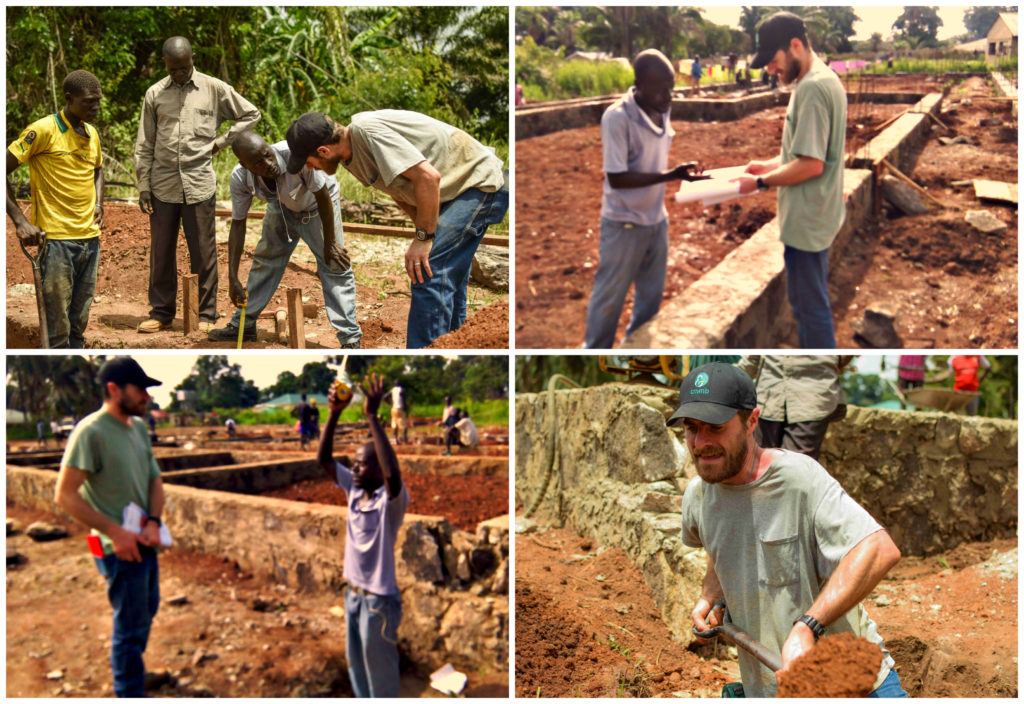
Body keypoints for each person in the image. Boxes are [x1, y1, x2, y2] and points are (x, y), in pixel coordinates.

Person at [668, 362, 905, 698]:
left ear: (751, 421)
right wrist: (711, 596)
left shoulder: (798, 480)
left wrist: (808, 627)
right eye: (691, 428)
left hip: (853, 683)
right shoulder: (699, 495)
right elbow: (718, 547)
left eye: (715, 427)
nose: (700, 442)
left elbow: (879, 549)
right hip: (771, 688)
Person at [284, 109, 508, 348]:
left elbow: (428, 177)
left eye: (308, 162)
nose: (310, 168)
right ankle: (455, 345)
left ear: (323, 151)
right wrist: (423, 228)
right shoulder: (350, 157)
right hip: (453, 191)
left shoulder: (367, 132)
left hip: (477, 183)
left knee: (428, 270)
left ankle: (425, 362)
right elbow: (398, 189)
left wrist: (424, 238)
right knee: (447, 273)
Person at [732, 12, 848, 348]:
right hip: (816, 215)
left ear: (795, 45)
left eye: (773, 60)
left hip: (808, 221)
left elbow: (811, 165)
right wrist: (764, 165)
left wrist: (760, 183)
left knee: (810, 311)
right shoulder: (823, 80)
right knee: (809, 305)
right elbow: (807, 154)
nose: (770, 69)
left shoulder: (812, 89)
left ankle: (820, 385)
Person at [53, 357, 165, 697]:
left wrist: (155, 523)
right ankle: (128, 689)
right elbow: (65, 495)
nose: (146, 396)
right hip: (117, 546)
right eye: (140, 389)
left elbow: (154, 481)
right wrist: (116, 533)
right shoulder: (91, 432)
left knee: (146, 612)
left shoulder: (138, 429)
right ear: (114, 389)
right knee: (130, 626)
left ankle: (133, 672)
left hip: (143, 539)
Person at [134, 36, 261, 334]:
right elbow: (145, 143)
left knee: (203, 251)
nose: (179, 74)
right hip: (162, 183)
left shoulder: (213, 88)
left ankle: (206, 312)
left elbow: (251, 113)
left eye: (184, 67)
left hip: (199, 182)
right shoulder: (154, 94)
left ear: (192, 59)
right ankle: (162, 313)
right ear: (165, 64)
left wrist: (221, 142)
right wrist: (143, 185)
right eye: (174, 69)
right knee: (161, 251)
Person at [583, 49, 705, 349]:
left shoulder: (662, 107)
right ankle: (596, 351)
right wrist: (671, 175)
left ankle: (633, 351)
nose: (668, 96)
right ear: (639, 84)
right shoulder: (618, 118)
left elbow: (655, 157)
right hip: (623, 223)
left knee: (650, 299)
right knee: (609, 299)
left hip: (656, 219)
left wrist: (678, 173)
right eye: (661, 89)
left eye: (671, 87)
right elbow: (617, 177)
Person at [207, 131, 361, 347]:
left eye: (267, 154)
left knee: (334, 263)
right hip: (280, 207)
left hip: (317, 208)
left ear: (269, 146)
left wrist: (330, 243)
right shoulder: (240, 177)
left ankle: (350, 338)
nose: (268, 163)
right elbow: (238, 223)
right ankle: (244, 325)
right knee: (265, 259)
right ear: (245, 165)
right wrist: (232, 277)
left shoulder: (295, 156)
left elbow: (323, 195)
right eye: (258, 163)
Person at [317, 373, 407, 698]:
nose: (353, 470)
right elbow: (324, 459)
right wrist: (334, 412)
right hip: (353, 595)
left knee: (379, 674)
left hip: (378, 602)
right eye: (353, 465)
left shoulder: (390, 501)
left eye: (360, 465)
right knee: (357, 667)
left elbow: (392, 473)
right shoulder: (354, 493)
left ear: (376, 472)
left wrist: (371, 416)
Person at [7, 70, 104, 348]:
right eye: (88, 102)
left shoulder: (92, 133)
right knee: (57, 328)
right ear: (69, 99)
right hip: (56, 242)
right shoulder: (43, 130)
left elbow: (99, 170)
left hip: (90, 239)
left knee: (78, 322)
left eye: (98, 101)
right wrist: (19, 221)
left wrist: (98, 202)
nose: (95, 107)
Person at [736, 355, 853, 461]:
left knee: (796, 467)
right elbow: (753, 357)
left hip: (811, 395)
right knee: (758, 464)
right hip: (768, 395)